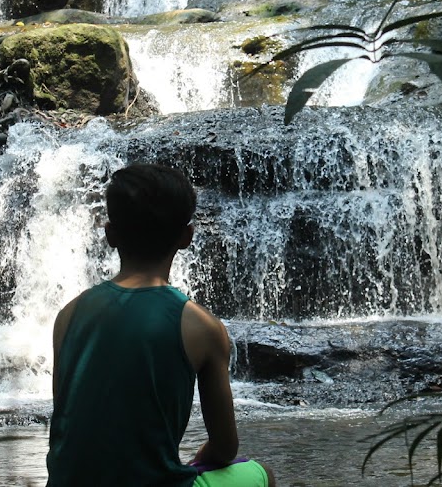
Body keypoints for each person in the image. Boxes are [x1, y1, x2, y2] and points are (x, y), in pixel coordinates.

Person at [46, 162, 276, 487]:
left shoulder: (68, 315)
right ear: (187, 236)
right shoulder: (201, 326)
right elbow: (225, 449)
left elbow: (68, 424)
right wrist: (201, 457)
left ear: (110, 234)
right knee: (261, 474)